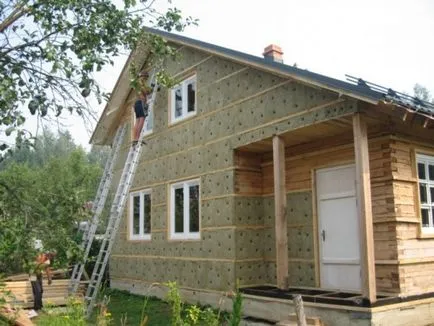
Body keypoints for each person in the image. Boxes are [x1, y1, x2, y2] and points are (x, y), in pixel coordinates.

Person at [132, 71, 151, 146]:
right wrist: (150, 90)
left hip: (136, 103)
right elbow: (145, 91)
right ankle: (137, 138)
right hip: (141, 102)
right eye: (145, 78)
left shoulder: (136, 84)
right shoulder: (140, 83)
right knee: (142, 119)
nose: (146, 79)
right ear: (142, 76)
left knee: (137, 120)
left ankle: (135, 139)